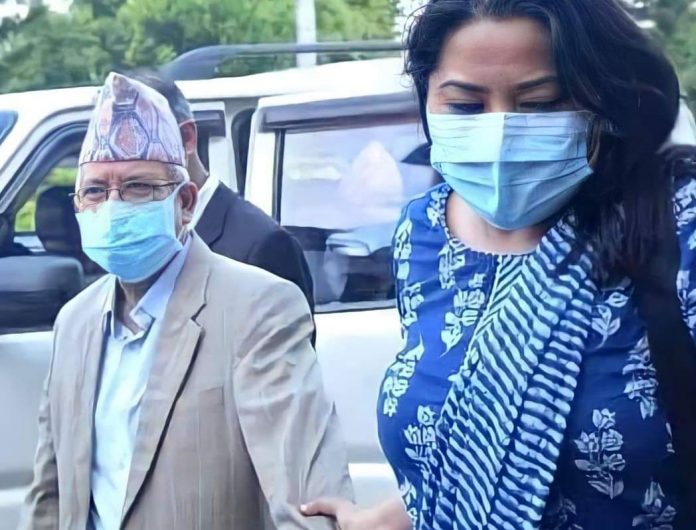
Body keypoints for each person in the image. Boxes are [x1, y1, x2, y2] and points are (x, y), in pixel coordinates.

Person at [302, 0, 696, 528]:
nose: (501, 131)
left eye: (540, 104)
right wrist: (386, 518)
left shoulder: (679, 223)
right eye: (466, 106)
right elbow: (469, 436)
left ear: (602, 99)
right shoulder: (423, 233)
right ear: (427, 100)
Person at [19, 72, 353, 530]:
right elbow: (50, 493)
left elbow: (307, 499)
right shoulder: (75, 322)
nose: (113, 207)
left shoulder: (258, 309)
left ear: (186, 203)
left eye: (138, 187)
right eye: (95, 191)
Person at [126, 69, 315, 312]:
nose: (120, 162)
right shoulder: (130, 244)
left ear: (186, 139)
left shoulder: (261, 245)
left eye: (136, 143)